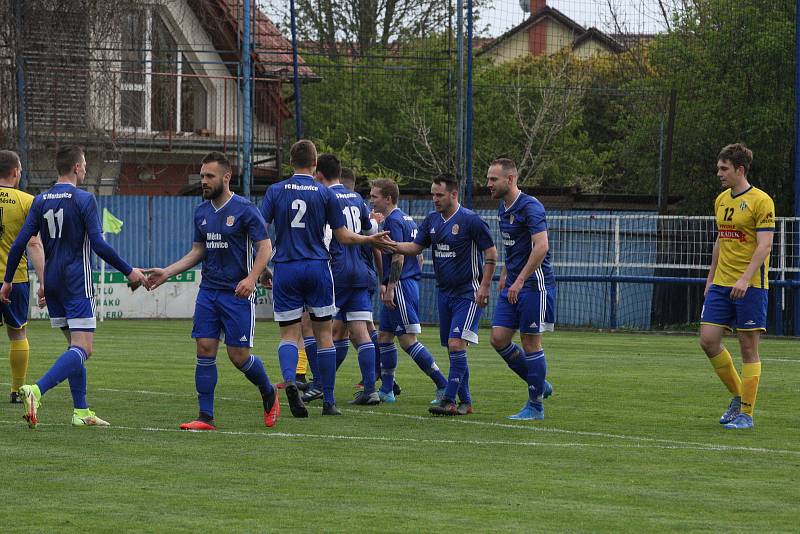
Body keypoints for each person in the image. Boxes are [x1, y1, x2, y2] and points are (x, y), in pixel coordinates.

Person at [0, 145, 148, 428]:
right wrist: (129, 271)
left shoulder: (41, 200)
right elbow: (99, 244)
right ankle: (36, 390)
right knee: (84, 348)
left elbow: (21, 243)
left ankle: (81, 411)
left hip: (52, 282)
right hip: (76, 281)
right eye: (85, 165)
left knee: (74, 346)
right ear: (78, 168)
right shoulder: (83, 199)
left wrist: (8, 281)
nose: (86, 169)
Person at [259, 140, 393, 416]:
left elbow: (261, 232)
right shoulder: (324, 193)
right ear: (315, 163)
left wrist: (260, 267)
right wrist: (370, 239)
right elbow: (342, 236)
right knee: (324, 335)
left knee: (289, 334)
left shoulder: (275, 191)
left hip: (286, 267)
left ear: (291, 163)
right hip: (319, 268)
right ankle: (329, 402)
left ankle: (293, 382)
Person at [147, 152, 278, 431]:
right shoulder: (201, 212)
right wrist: (167, 272)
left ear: (226, 177)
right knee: (205, 348)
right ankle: (205, 417)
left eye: (209, 176)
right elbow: (198, 251)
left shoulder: (245, 209)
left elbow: (264, 247)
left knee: (238, 356)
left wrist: (252, 278)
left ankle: (268, 391)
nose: (204, 181)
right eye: (202, 176)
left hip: (237, 294)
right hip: (208, 292)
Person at [393, 174, 496, 415]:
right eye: (432, 194)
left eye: (439, 195)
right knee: (454, 349)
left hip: (468, 294)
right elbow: (415, 248)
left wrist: (485, 285)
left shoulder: (471, 221)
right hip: (445, 294)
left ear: (453, 194)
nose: (434, 199)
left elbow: (491, 253)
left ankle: (449, 399)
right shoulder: (432, 220)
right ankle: (466, 402)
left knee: (456, 343)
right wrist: (387, 244)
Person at [699, 143, 774, 430]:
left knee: (747, 347)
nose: (719, 173)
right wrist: (710, 278)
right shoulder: (721, 200)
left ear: (739, 169)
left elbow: (765, 245)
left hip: (751, 284)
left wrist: (744, 278)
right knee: (707, 340)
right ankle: (738, 394)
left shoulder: (761, 201)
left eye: (724, 169)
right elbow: (720, 241)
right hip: (721, 283)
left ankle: (746, 413)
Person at [486, 158, 555, 421]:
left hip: (534, 285)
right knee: (499, 338)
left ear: (510, 179)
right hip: (513, 283)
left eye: (493, 179)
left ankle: (535, 405)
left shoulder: (531, 206)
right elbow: (513, 247)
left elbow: (541, 247)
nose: (488, 184)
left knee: (530, 342)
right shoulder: (503, 209)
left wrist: (519, 280)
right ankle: (539, 382)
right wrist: (505, 273)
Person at [370, 178, 448, 403]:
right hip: (404, 283)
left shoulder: (393, 221)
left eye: (375, 196)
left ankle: (442, 384)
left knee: (407, 340)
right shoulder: (407, 219)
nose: (371, 200)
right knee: (384, 337)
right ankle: (387, 390)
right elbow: (420, 256)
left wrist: (393, 285)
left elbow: (399, 254)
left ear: (388, 198)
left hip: (401, 286)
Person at [311, 155, 380, 405]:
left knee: (321, 330)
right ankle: (370, 389)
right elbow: (371, 233)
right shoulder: (356, 198)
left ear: (319, 175)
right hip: (360, 272)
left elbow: (326, 236)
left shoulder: (324, 198)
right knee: (359, 332)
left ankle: (319, 383)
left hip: (336, 272)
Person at [0, 150, 45, 403]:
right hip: (14, 278)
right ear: (16, 172)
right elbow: (34, 244)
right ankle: (16, 390)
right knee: (18, 334)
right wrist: (44, 282)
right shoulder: (28, 201)